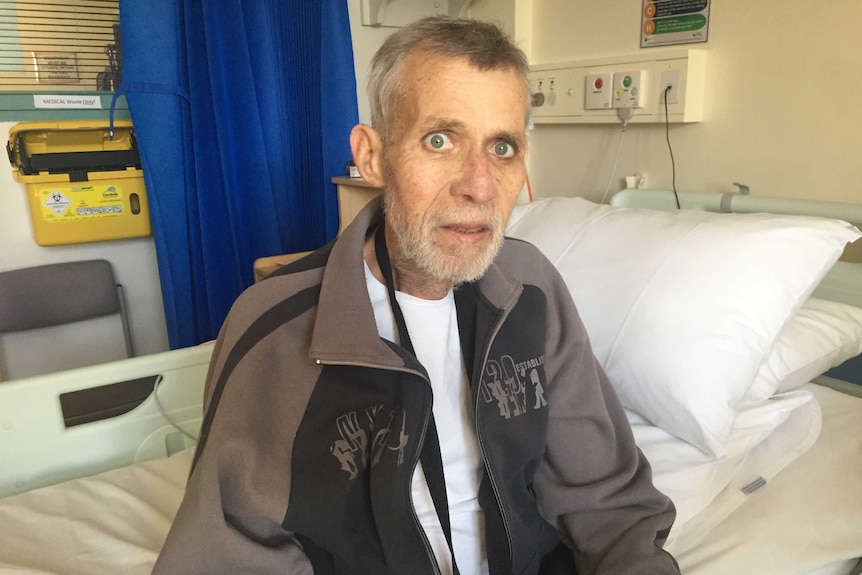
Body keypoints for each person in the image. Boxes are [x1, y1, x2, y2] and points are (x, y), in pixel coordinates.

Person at [153, 16, 679, 575]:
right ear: (373, 156)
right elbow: (230, 554)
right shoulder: (276, 329)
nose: (478, 184)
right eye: (439, 140)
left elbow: (610, 506)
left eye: (501, 147)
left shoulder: (532, 289)